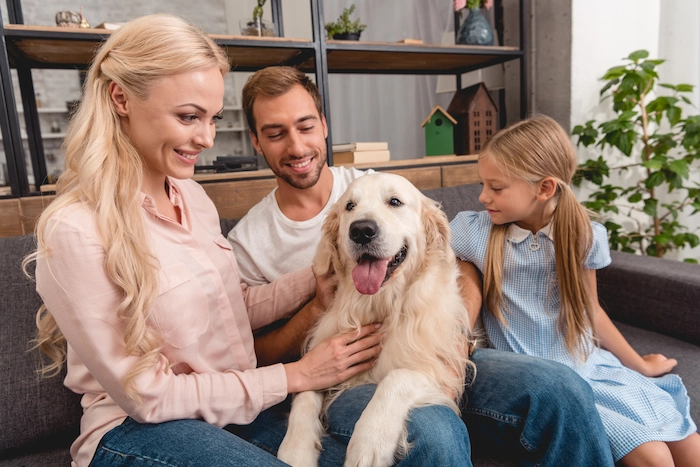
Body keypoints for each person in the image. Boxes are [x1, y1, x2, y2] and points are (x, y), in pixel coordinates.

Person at [25, 14, 419, 467]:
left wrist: (316, 280)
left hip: (234, 411)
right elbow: (147, 396)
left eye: (212, 118)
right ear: (121, 98)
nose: (207, 138)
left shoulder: (191, 196)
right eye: (189, 117)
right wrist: (295, 375)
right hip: (136, 430)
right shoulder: (74, 230)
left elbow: (226, 306)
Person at [228, 66, 616, 466]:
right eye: (275, 133)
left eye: (305, 126)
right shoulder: (248, 242)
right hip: (345, 372)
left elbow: (460, 263)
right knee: (433, 432)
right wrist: (313, 313)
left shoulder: (375, 183)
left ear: (324, 125)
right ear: (256, 141)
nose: (296, 145)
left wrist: (454, 336)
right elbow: (245, 352)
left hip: (433, 348)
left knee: (561, 388)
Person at [450, 114, 700, 466]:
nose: (482, 196)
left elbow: (589, 310)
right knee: (655, 457)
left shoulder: (584, 234)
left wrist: (639, 364)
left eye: (496, 187)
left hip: (588, 364)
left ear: (545, 188)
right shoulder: (472, 232)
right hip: (547, 385)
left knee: (690, 447)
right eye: (483, 184)